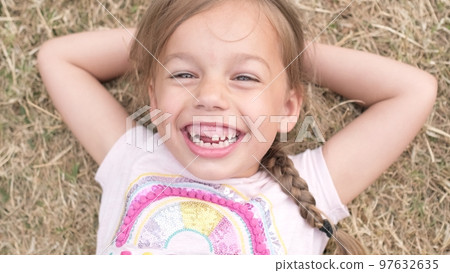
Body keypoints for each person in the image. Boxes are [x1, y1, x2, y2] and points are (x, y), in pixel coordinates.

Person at [37, 0, 437, 255]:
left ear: (288, 107)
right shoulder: (133, 154)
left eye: (245, 77)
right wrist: (160, 42)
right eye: (183, 73)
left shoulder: (306, 189)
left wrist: (289, 55)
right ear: (154, 101)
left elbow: (413, 91)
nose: (209, 95)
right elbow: (59, 58)